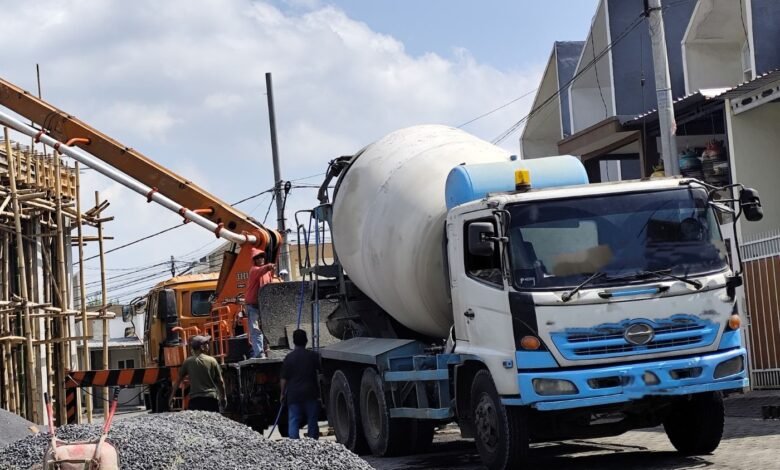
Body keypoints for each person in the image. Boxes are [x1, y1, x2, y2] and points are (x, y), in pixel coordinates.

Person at [280, 329, 321, 439]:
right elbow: (321, 371)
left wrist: (282, 394)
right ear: (306, 340)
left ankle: (295, 443)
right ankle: (313, 442)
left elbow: (284, 379)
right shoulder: (313, 356)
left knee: (294, 419)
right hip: (310, 393)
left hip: (294, 394)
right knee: (312, 419)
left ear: (293, 341)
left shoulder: (289, 358)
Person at [169, 335, 226, 412]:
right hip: (211, 399)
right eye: (206, 343)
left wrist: (172, 396)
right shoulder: (212, 361)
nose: (208, 345)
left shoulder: (187, 362)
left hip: (195, 400)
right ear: (202, 347)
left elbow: (178, 380)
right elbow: (221, 382)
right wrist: (223, 397)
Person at [245, 248, 276, 359]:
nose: (260, 259)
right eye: (257, 258)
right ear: (254, 260)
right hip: (253, 305)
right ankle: (259, 353)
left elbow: (270, 287)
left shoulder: (267, 273)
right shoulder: (254, 270)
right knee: (256, 329)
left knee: (266, 328)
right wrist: (269, 266)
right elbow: (261, 270)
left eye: (261, 257)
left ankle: (267, 349)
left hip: (263, 305)